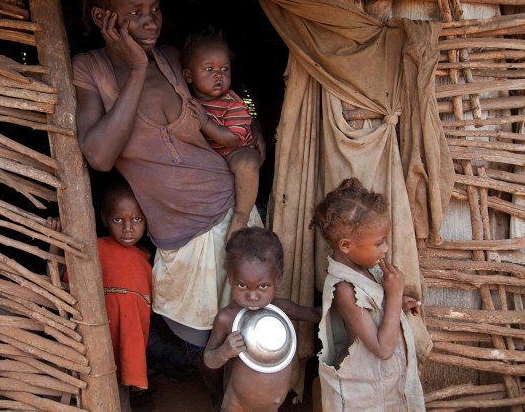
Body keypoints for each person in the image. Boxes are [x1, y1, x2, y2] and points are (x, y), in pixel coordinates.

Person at [72, 0, 264, 348]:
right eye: (135, 12)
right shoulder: (88, 70)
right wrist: (137, 70)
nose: (150, 21)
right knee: (197, 333)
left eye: (155, 10)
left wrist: (251, 131)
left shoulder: (175, 59)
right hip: (176, 228)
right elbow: (100, 155)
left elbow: (224, 98)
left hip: (229, 204)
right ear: (101, 16)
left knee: (250, 320)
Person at [310, 178, 425, 411]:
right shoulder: (344, 289)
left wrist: (395, 305)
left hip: (383, 387)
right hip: (363, 398)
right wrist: (393, 296)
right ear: (345, 245)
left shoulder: (366, 270)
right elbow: (382, 349)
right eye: (380, 243)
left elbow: (371, 315)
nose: (385, 249)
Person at [203, 227, 321, 411]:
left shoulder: (283, 309)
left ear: (278, 280)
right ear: (230, 279)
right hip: (237, 405)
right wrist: (225, 351)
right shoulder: (227, 318)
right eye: (242, 285)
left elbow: (317, 315)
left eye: (263, 286)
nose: (252, 296)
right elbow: (209, 359)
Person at [61, 178, 152, 412]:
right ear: (104, 219)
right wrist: (54, 242)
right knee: (97, 380)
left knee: (122, 387)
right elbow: (61, 278)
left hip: (130, 335)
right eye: (118, 220)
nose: (128, 228)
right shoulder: (94, 248)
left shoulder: (148, 259)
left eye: (137, 219)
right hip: (99, 332)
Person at [182, 29, 260, 239]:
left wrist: (205, 122)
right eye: (209, 69)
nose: (219, 75)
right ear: (188, 76)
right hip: (210, 157)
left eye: (225, 69)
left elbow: (232, 139)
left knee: (248, 162)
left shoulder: (231, 102)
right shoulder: (186, 98)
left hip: (233, 151)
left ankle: (240, 218)